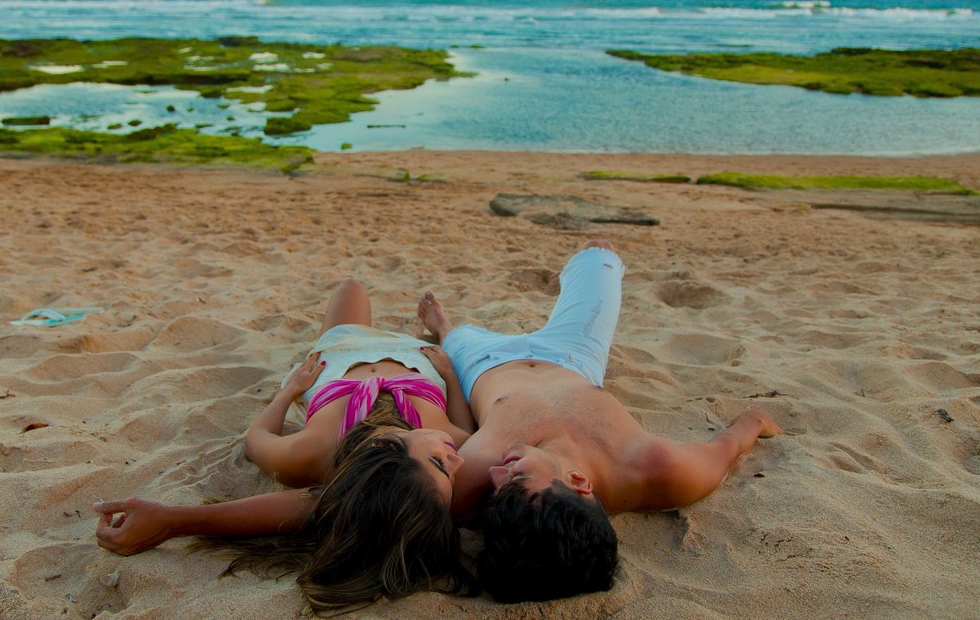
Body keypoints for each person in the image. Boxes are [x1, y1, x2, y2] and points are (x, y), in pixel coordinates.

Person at [417, 240, 781, 603]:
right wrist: (754, 421)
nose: (497, 475)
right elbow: (726, 447)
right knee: (600, 253)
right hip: (572, 354)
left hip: (483, 364)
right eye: (515, 478)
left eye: (496, 492)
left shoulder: (472, 484)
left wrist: (450, 372)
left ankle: (446, 328)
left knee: (457, 339)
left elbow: (455, 434)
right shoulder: (660, 469)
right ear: (579, 482)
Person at [94, 279, 477, 613]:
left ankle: (437, 329)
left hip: (343, 354)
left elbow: (256, 440)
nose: (457, 460)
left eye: (441, 464)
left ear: (385, 453)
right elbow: (463, 422)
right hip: (422, 361)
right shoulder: (450, 443)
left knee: (351, 288)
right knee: (366, 295)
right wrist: (450, 376)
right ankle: (442, 329)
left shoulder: (310, 455)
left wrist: (289, 391)